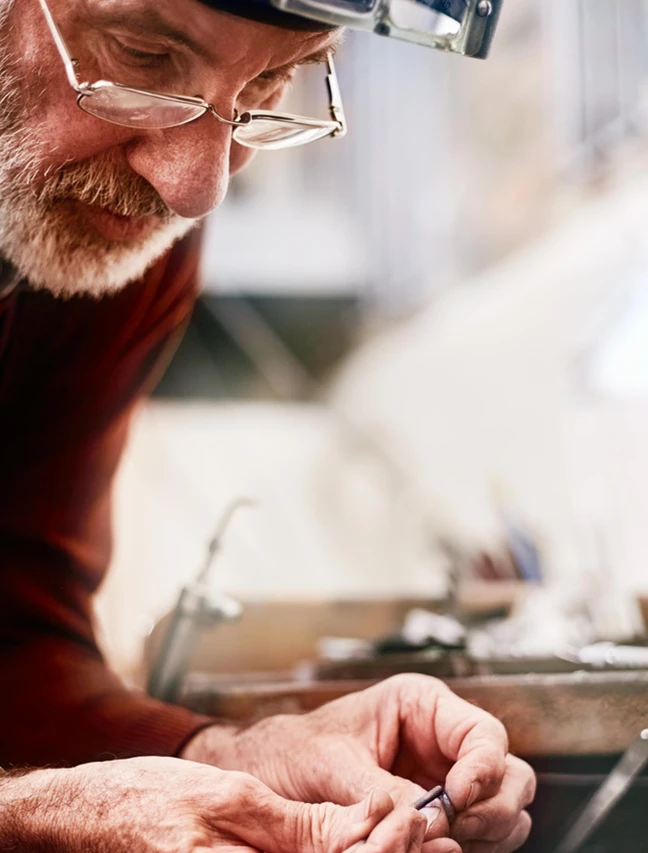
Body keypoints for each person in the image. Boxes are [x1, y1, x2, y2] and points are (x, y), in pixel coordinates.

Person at [0, 0, 533, 850]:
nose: (196, 187)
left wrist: (229, 754)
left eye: (266, 86)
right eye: (141, 56)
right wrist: (40, 818)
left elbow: (16, 634)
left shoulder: (116, 234)